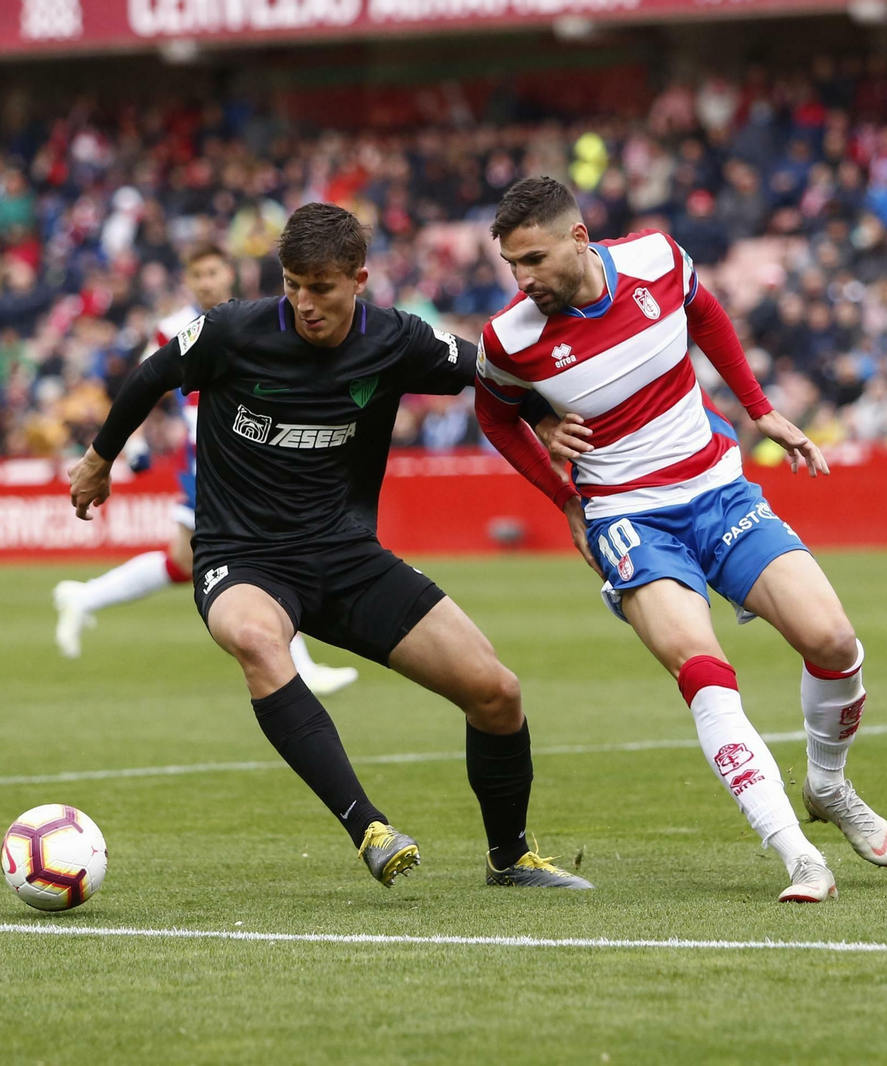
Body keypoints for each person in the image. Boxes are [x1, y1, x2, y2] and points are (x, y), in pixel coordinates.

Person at [68, 203, 590, 890]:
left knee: (496, 691)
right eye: (292, 285)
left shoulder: (396, 339)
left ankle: (511, 857)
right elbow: (149, 378)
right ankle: (367, 825)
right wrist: (100, 459)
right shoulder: (232, 331)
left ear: (359, 280)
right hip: (241, 556)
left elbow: (486, 372)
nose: (304, 303)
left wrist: (545, 415)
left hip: (347, 558)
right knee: (257, 641)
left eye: (321, 287)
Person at [475, 177, 887, 903]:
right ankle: (797, 853)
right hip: (628, 519)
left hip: (717, 490)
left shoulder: (657, 259)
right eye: (513, 265)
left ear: (579, 239)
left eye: (536, 259)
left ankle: (827, 785)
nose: (524, 279)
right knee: (703, 670)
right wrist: (568, 502)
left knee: (833, 641)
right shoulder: (510, 337)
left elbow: (705, 315)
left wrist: (760, 410)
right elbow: (495, 417)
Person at [54, 244, 358, 697]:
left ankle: (83, 597)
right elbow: (143, 390)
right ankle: (302, 665)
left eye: (214, 272)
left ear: (229, 274)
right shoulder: (171, 329)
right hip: (213, 458)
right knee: (269, 548)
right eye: (198, 274)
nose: (207, 282)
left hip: (247, 453)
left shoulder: (259, 317)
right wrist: (130, 444)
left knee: (183, 561)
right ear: (189, 280)